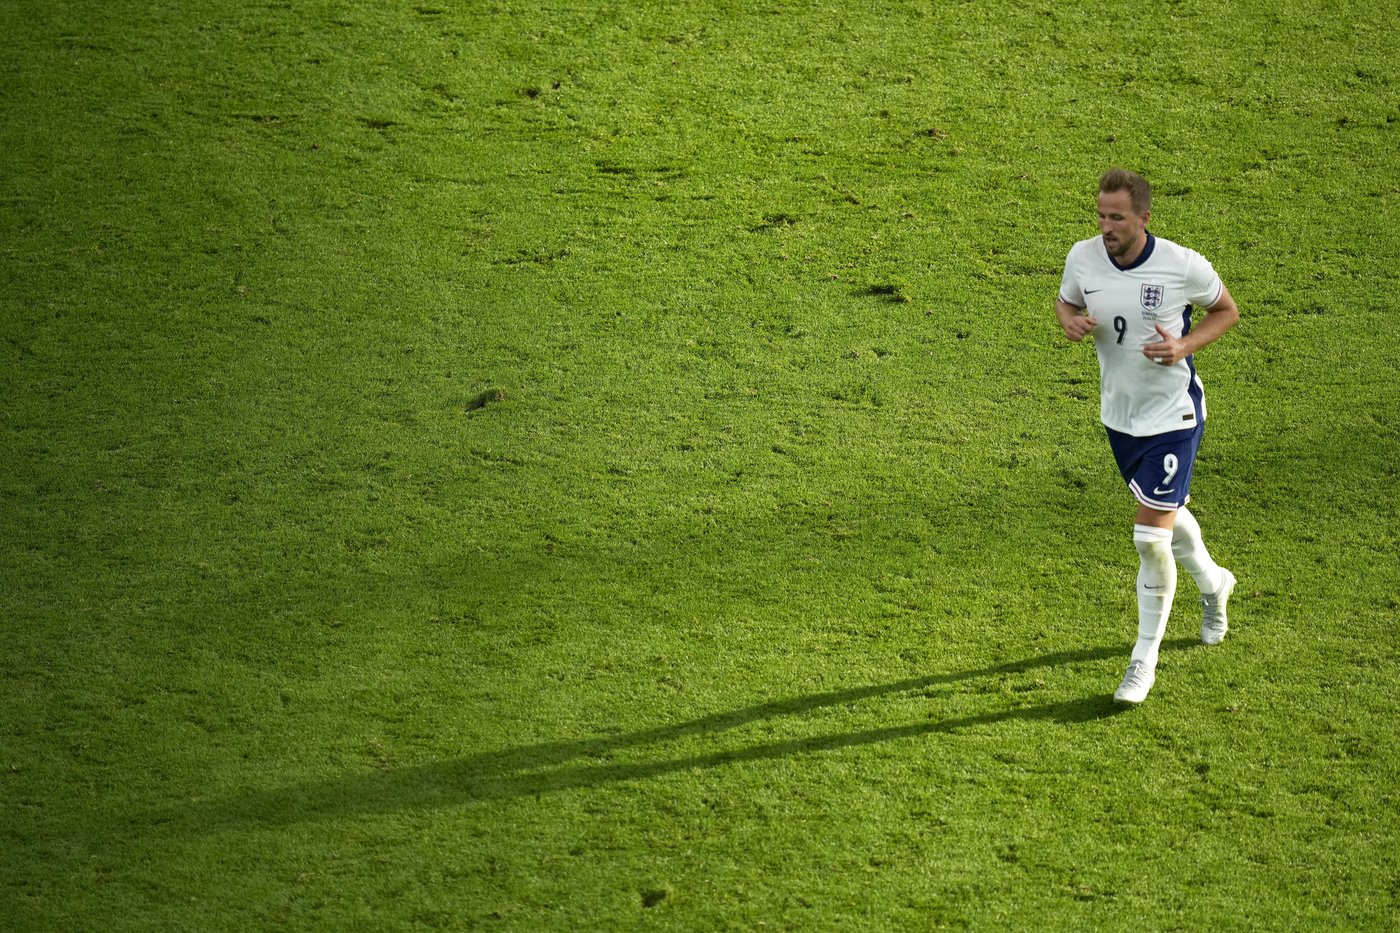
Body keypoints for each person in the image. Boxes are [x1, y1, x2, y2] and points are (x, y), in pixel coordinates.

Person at [1055, 168, 1240, 704]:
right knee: (1164, 510)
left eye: (1117, 217)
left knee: (1148, 537)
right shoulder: (1083, 256)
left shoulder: (1181, 264)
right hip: (1120, 416)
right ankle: (1214, 583)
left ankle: (1143, 660)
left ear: (1143, 218)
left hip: (1172, 416)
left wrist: (1185, 346)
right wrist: (1067, 319)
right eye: (1101, 215)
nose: (1106, 226)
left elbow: (1225, 310)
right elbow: (1067, 301)